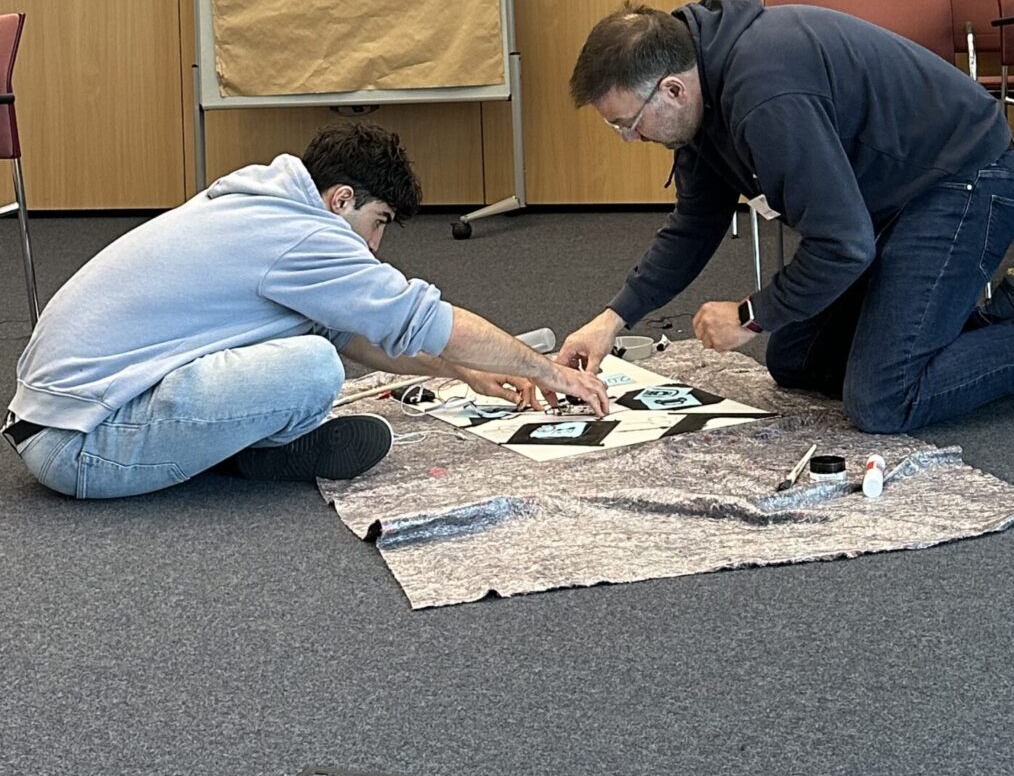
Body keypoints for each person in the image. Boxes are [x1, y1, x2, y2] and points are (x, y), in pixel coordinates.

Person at [558, 0, 1014, 436]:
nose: (630, 140)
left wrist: (750, 314)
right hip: (886, 200)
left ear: (671, 89)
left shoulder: (765, 94)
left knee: (884, 400)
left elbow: (842, 245)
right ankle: (984, 319)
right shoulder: (695, 88)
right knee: (794, 360)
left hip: (966, 181)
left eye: (627, 124)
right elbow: (696, 223)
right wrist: (612, 320)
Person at [3, 123, 606, 499]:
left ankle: (247, 450)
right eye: (379, 223)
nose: (375, 245)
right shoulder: (305, 236)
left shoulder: (263, 203)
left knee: (318, 344)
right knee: (314, 369)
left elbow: (350, 330)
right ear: (341, 199)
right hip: (81, 446)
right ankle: (256, 452)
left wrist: (459, 370)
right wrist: (550, 372)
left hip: (57, 421)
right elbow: (418, 317)